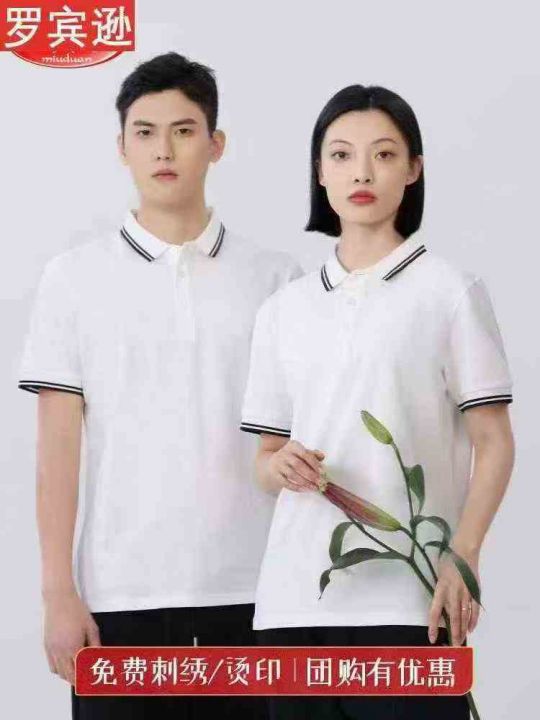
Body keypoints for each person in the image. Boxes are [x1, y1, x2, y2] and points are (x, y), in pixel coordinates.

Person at [17, 51, 302, 719]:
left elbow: (297, 440)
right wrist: (58, 593)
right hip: (119, 598)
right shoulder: (73, 279)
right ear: (122, 147)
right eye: (145, 132)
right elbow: (58, 450)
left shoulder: (277, 279)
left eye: (183, 130)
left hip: (257, 593)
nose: (164, 150)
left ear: (216, 144)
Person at [240, 84, 515, 719]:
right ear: (319, 171)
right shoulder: (284, 309)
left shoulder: (449, 291)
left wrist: (463, 558)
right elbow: (263, 459)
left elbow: (495, 442)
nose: (361, 172)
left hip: (409, 602)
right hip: (293, 604)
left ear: (413, 169)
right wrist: (280, 465)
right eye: (340, 155)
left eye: (384, 154)